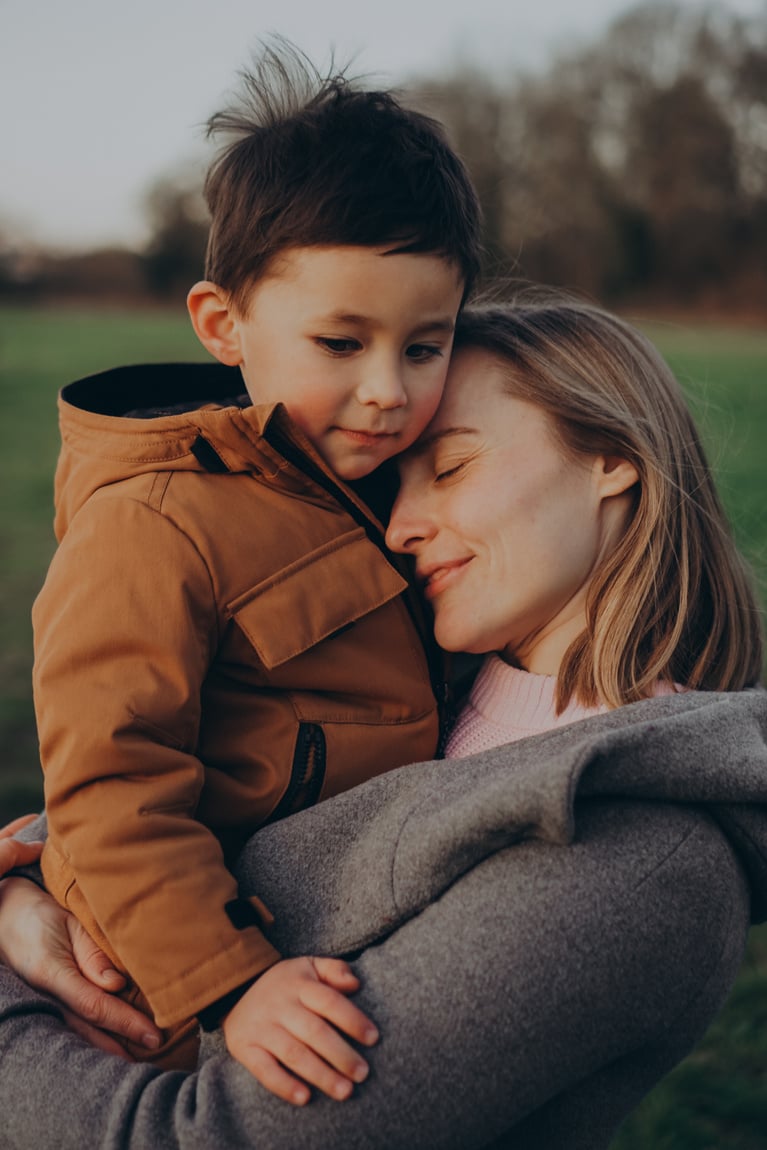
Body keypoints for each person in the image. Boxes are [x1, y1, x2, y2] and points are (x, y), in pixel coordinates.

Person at [0, 294, 765, 1150]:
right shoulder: (433, 696)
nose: (398, 529)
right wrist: (27, 883)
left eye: (448, 469)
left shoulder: (636, 861)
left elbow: (193, 1138)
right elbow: (203, 787)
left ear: (613, 460)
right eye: (391, 487)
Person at [28, 40, 479, 1091]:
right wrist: (230, 984)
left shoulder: (394, 486)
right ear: (223, 325)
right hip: (189, 1004)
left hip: (358, 938)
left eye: (424, 345)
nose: (388, 391)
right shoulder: (153, 525)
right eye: (339, 343)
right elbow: (109, 782)